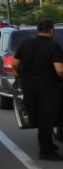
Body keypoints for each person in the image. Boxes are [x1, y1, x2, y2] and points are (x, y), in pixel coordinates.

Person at [12, 20, 63, 160]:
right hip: (48, 87)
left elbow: (15, 64)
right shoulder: (54, 46)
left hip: (28, 86)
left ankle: (48, 145)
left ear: (37, 30)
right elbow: (59, 70)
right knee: (47, 119)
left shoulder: (25, 44)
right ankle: (46, 152)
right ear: (51, 31)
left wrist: (22, 74)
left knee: (38, 117)